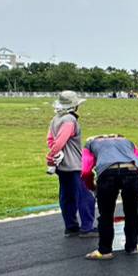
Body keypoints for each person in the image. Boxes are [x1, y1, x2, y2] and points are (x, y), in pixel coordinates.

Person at [80, 133, 138, 260]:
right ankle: (132, 246)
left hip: (107, 174)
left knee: (106, 214)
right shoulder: (128, 141)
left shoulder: (90, 144)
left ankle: (104, 251)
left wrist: (92, 186)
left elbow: (85, 171)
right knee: (132, 212)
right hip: (132, 171)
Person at [45, 90, 96, 237]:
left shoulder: (55, 119)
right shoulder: (70, 120)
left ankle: (71, 226)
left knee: (67, 196)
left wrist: (54, 154)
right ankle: (87, 227)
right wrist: (52, 154)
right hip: (74, 164)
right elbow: (61, 139)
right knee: (84, 196)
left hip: (61, 165)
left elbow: (51, 140)